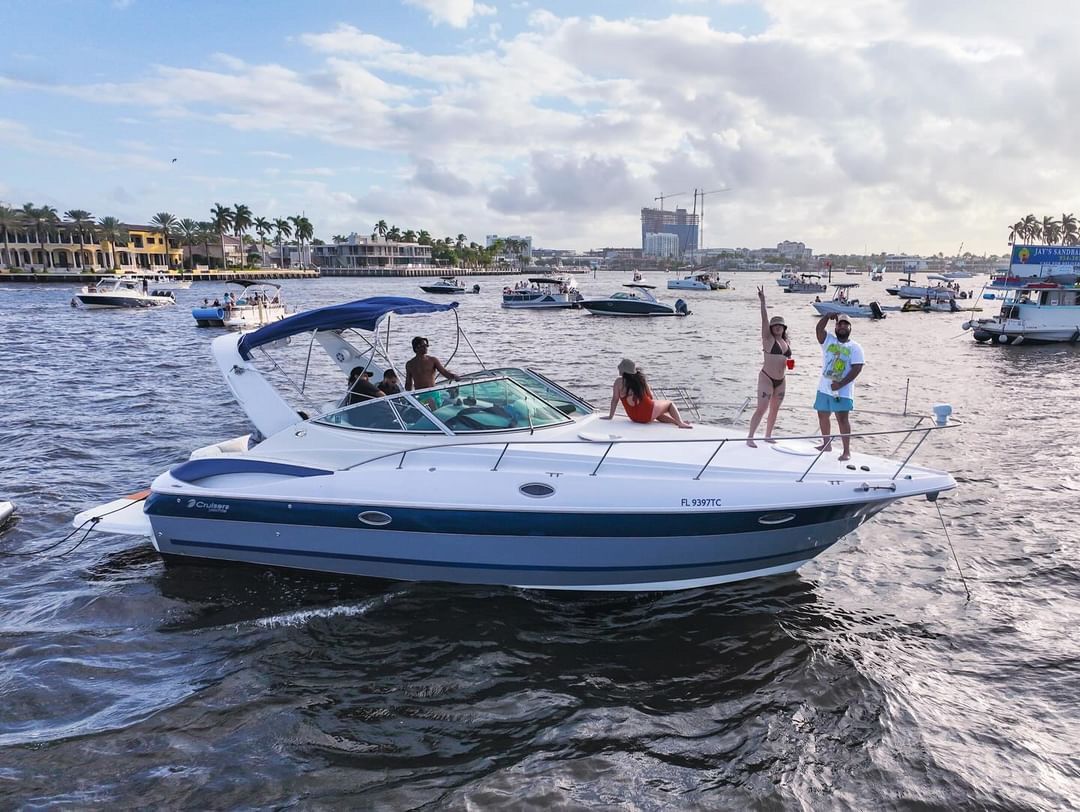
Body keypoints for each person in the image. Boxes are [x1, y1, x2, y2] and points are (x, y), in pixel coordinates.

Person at [814, 313, 865, 461]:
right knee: (822, 414)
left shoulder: (855, 347)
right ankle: (826, 444)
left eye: (845, 324)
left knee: (842, 419)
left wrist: (841, 384)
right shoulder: (829, 340)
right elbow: (818, 329)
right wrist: (827, 316)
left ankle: (846, 451)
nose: (842, 326)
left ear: (850, 328)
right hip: (824, 388)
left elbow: (857, 368)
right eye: (839, 324)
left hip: (842, 391)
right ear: (835, 327)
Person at [747, 287, 791, 447]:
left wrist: (789, 362)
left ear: (784, 328)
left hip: (781, 379)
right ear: (771, 328)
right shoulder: (768, 339)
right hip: (767, 377)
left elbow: (785, 359)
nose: (778, 327)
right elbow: (764, 320)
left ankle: (768, 435)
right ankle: (750, 437)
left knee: (774, 410)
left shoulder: (786, 342)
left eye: (780, 325)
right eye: (775, 325)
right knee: (762, 408)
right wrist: (763, 301)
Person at [601, 359, 692, 428]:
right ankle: (680, 423)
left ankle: (676, 422)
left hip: (633, 417)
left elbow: (614, 400)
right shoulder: (640, 380)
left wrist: (610, 416)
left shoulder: (618, 382)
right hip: (647, 415)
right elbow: (650, 396)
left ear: (623, 370)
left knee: (656, 412)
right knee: (669, 404)